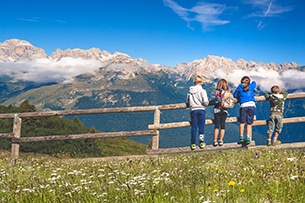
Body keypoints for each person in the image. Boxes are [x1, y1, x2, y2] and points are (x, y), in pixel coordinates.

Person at [186, 75, 209, 150]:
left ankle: (193, 143)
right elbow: (205, 102)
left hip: (193, 110)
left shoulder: (190, 90)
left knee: (194, 127)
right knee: (201, 126)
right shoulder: (203, 91)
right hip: (201, 109)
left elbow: (187, 100)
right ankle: (201, 142)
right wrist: (206, 104)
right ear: (201, 82)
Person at [233, 76, 256, 145]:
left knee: (242, 122)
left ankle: (241, 137)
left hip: (243, 106)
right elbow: (254, 83)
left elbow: (234, 95)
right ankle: (248, 138)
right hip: (251, 105)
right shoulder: (251, 86)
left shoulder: (240, 87)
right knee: (249, 123)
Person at [209, 79, 231, 147]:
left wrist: (209, 103)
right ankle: (221, 140)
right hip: (225, 110)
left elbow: (215, 101)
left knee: (216, 125)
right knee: (222, 125)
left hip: (217, 110)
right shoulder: (228, 93)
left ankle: (215, 140)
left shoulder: (217, 92)